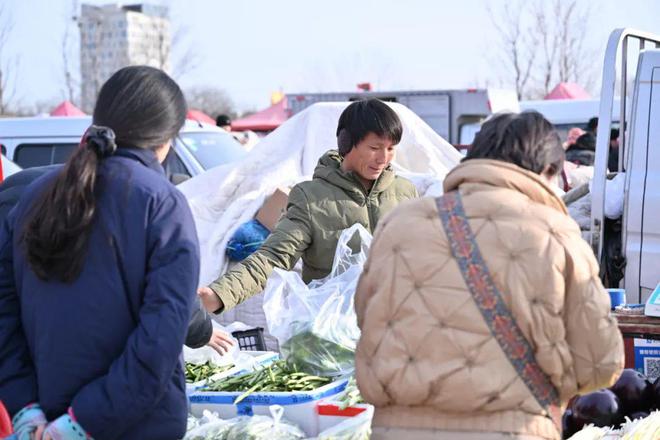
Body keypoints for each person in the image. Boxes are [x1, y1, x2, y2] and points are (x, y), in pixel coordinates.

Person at [354, 111, 624, 440]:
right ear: (547, 171)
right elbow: (600, 363)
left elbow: (367, 319)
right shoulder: (555, 234)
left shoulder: (399, 223)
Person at [0, 66, 200, 439]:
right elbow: (159, 341)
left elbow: (4, 318)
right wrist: (82, 423)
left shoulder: (33, 197)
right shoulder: (162, 204)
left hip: (45, 418)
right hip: (136, 426)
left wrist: (26, 410)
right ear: (167, 138)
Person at [198, 98, 419, 314]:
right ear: (346, 142)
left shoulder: (405, 192)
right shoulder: (311, 198)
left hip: (397, 327)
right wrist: (219, 295)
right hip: (334, 334)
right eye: (375, 147)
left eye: (391, 148)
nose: (384, 158)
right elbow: (273, 257)